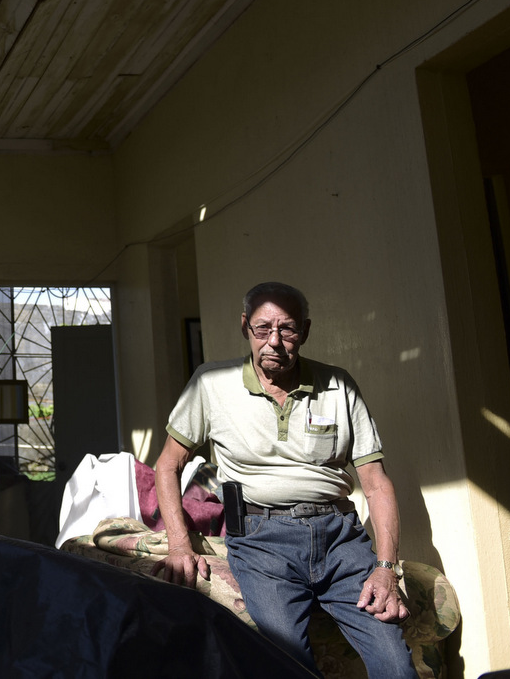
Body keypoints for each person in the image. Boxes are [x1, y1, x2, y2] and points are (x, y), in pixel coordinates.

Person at [151, 282, 414, 679]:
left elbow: (376, 484)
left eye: (287, 329)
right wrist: (178, 544)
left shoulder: (338, 385)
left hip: (341, 540)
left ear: (304, 331)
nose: (274, 341)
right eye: (262, 329)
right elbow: (166, 465)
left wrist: (385, 567)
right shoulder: (210, 383)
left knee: (396, 666)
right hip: (261, 542)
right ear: (245, 328)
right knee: (285, 666)